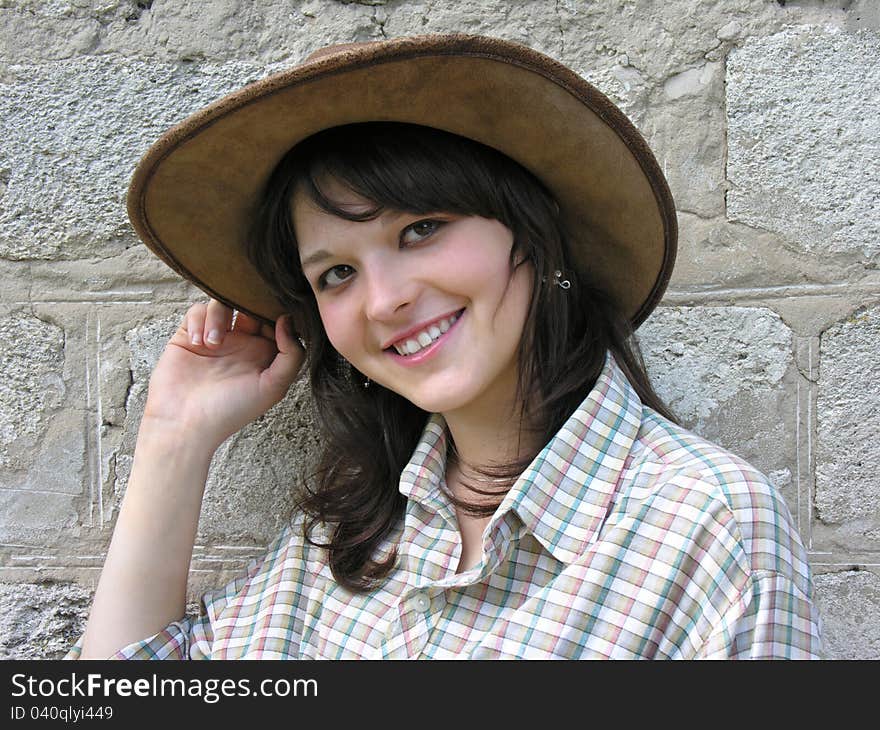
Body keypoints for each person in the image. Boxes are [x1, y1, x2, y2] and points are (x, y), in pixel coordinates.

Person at [69, 34, 823, 659]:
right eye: (335, 273)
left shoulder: (703, 524)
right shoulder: (344, 539)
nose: (385, 298)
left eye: (421, 229)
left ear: (531, 234)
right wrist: (174, 439)